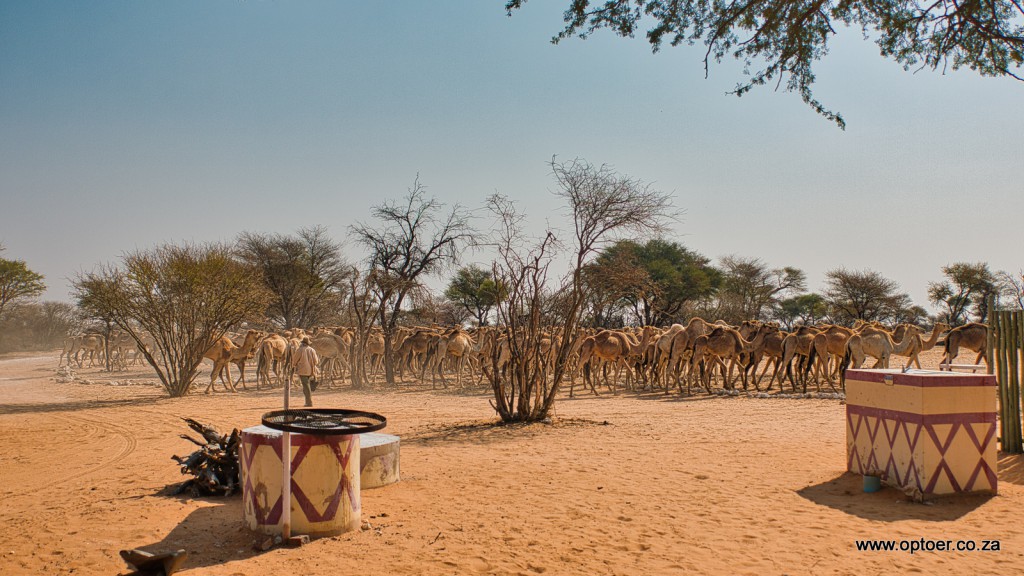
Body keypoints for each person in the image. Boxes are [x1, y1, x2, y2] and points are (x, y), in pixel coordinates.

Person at [291, 336, 320, 407]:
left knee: (306, 386)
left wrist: (294, 365)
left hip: (303, 370)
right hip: (311, 370)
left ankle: (309, 402)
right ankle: (307, 401)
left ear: (303, 343)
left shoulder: (300, 350)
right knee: (306, 386)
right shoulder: (312, 350)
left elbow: (294, 360)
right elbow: (316, 361)